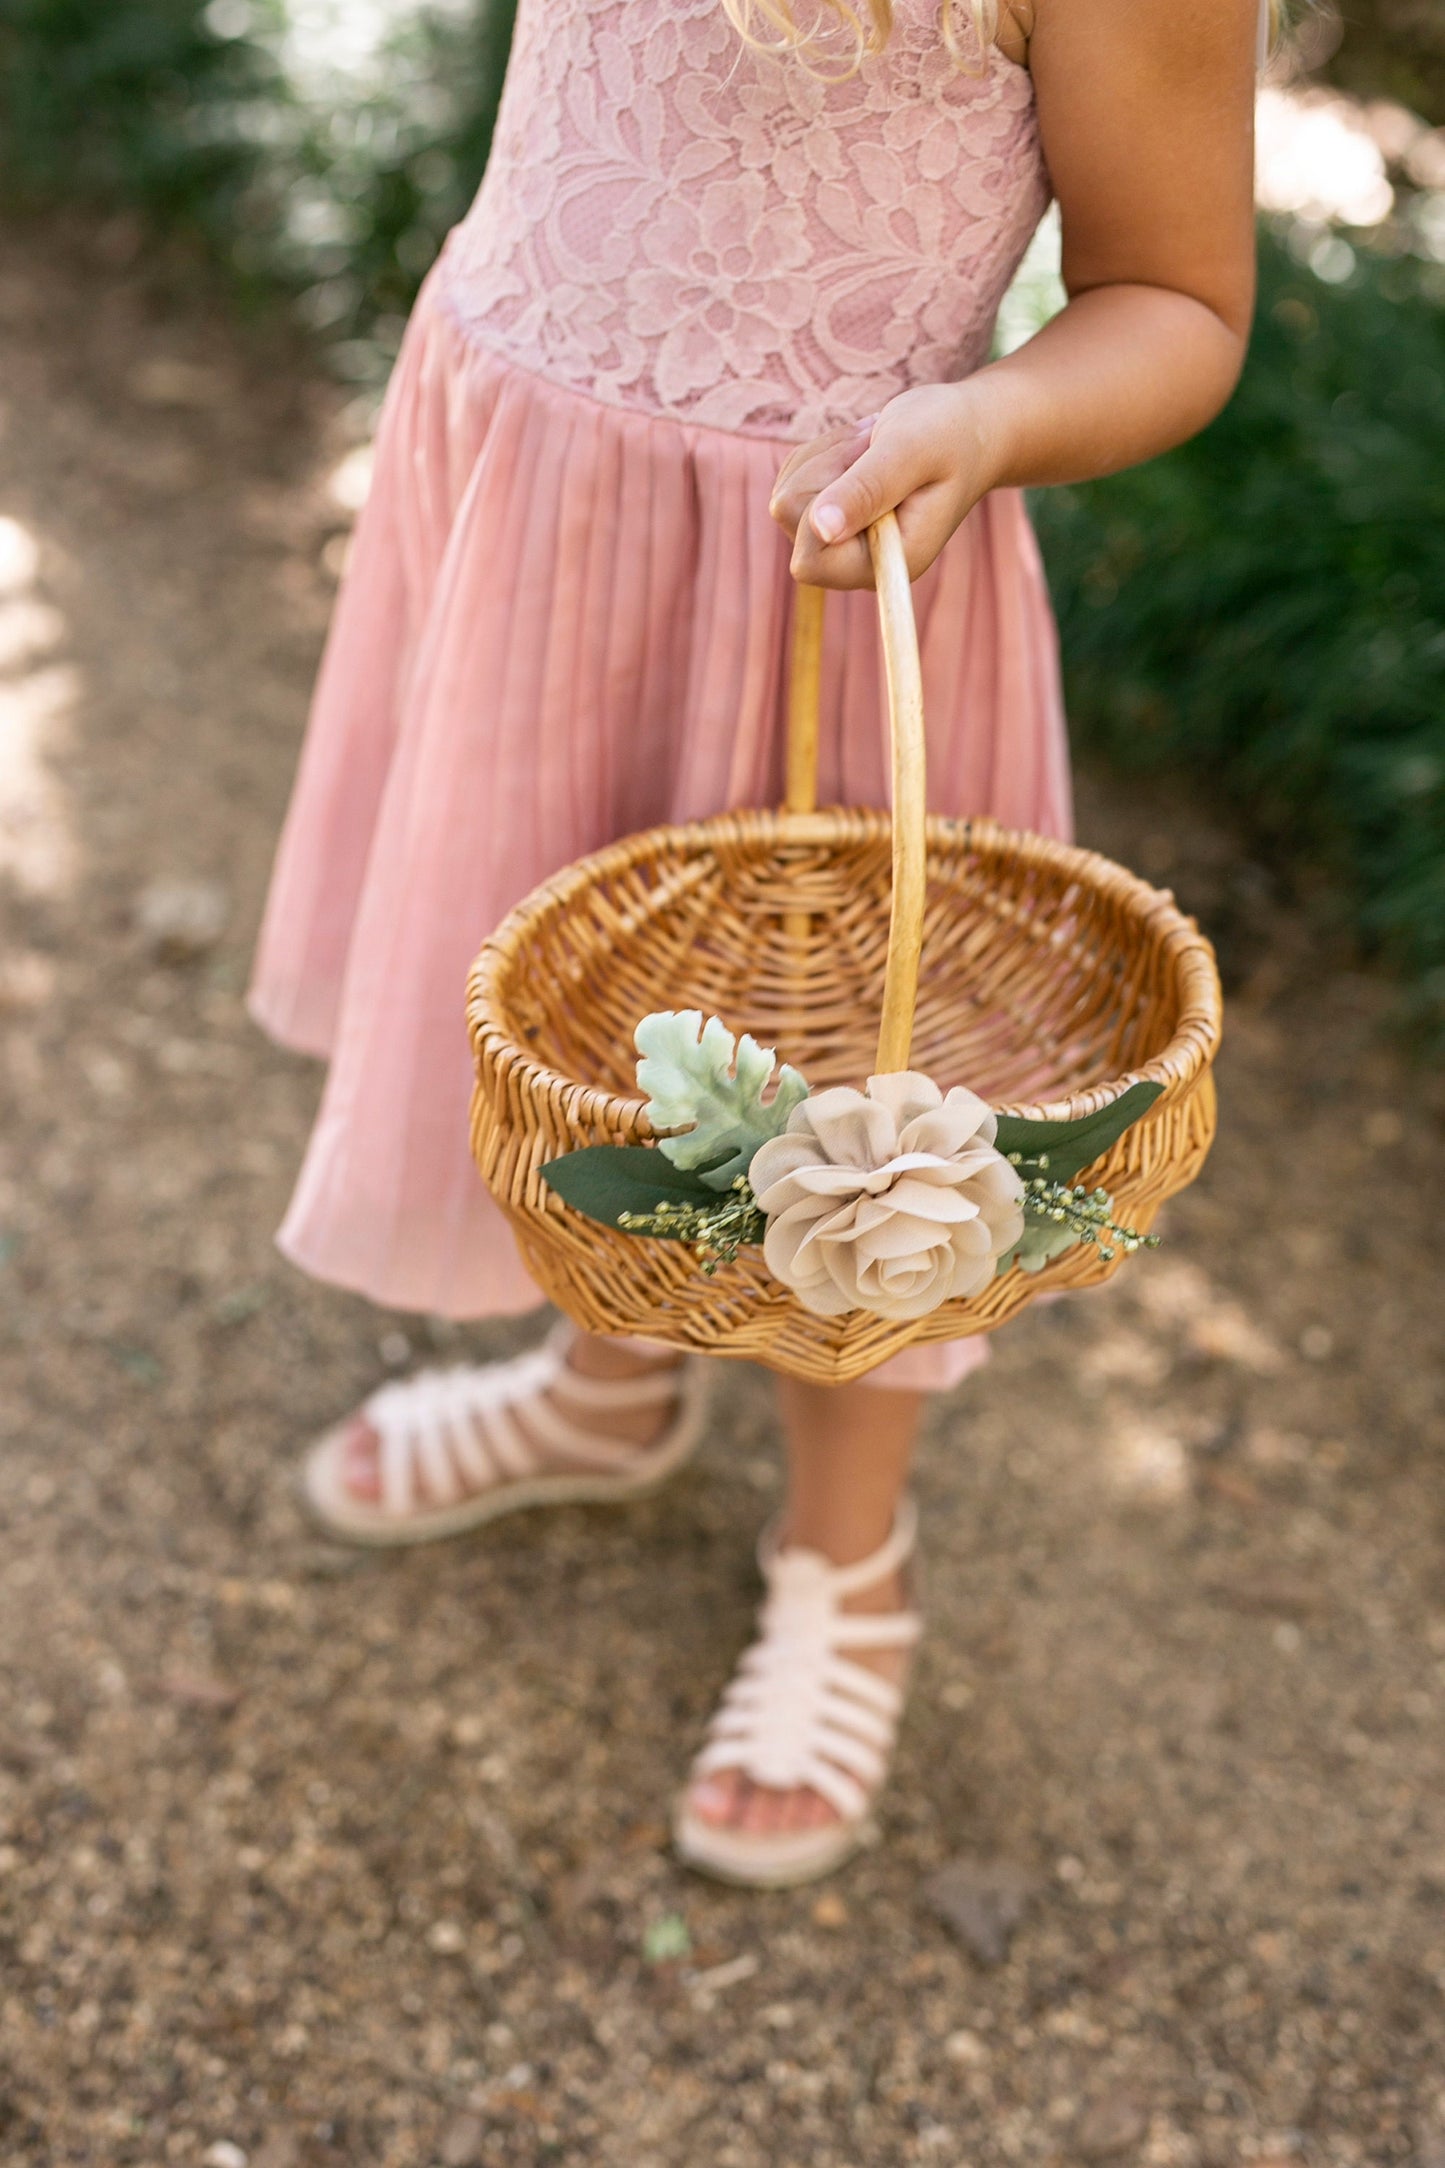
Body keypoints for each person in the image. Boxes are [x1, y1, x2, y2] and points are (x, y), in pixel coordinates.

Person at [250, 0, 1259, 1885]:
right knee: (572, 1010)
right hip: (530, 502)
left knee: (847, 1114)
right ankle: (606, 1382)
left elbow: (1179, 301)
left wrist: (991, 416)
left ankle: (843, 1559)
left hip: (821, 569)